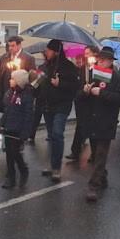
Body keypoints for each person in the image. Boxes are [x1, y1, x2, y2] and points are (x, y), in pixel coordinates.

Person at [78, 47, 120, 201]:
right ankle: (102, 176)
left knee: (100, 154)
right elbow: (79, 97)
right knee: (96, 151)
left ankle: (93, 186)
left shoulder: (118, 78)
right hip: (92, 120)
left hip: (107, 121)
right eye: (99, 59)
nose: (100, 62)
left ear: (110, 61)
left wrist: (102, 93)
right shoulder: (91, 74)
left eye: (103, 60)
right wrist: (85, 91)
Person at [41, 39, 79, 182]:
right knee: (51, 135)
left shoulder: (69, 67)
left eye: (49, 50)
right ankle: (51, 164)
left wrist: (60, 83)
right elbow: (38, 82)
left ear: (56, 51)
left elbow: (75, 85)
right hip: (47, 105)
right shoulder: (45, 66)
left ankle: (56, 167)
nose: (46, 52)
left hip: (62, 105)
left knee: (57, 133)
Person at [0, 69, 33, 189]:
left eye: (12, 79)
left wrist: (25, 133)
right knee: (8, 154)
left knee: (15, 153)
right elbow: (5, 108)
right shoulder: (10, 93)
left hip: (18, 130)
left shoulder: (26, 96)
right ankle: (10, 178)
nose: (10, 80)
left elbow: (28, 116)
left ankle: (23, 169)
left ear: (18, 81)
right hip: (8, 127)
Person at [67, 45, 99, 161]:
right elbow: (77, 87)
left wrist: (93, 88)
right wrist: (83, 90)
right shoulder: (82, 69)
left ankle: (95, 153)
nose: (86, 56)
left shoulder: (100, 69)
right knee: (80, 126)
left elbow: (103, 85)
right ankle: (75, 151)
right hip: (82, 103)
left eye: (88, 53)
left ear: (95, 54)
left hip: (94, 103)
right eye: (85, 53)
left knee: (93, 129)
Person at [0, 36, 36, 112]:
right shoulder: (4, 58)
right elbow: (0, 76)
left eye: (13, 45)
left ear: (19, 45)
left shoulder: (28, 58)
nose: (10, 48)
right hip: (6, 94)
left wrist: (28, 95)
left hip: (20, 97)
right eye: (9, 46)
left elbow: (34, 80)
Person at [27, 57, 47, 144]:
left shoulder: (54, 68)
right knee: (36, 118)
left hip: (48, 97)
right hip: (40, 97)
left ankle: (50, 134)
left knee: (46, 118)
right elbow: (36, 84)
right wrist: (34, 92)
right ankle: (31, 135)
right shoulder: (41, 67)